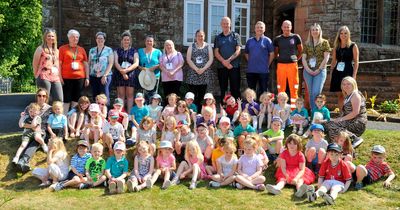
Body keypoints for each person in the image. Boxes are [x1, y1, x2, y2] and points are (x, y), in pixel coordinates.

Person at [324, 76, 367, 148]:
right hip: (350, 120)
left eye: (348, 84)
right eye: (343, 84)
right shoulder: (348, 95)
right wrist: (337, 119)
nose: (345, 86)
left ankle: (354, 138)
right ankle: (335, 144)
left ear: (353, 84)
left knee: (333, 126)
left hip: (357, 123)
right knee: (329, 124)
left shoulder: (355, 95)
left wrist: (341, 119)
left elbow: (355, 113)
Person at [16, 89, 52, 173]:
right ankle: (20, 161)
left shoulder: (49, 109)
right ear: (36, 96)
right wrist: (32, 126)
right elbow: (23, 122)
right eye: (39, 95)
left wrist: (35, 128)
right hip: (29, 131)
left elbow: (45, 125)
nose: (41, 97)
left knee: (36, 141)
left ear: (46, 97)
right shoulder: (29, 107)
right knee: (25, 142)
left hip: (41, 132)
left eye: (44, 96)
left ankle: (23, 160)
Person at [273, 20, 303, 109]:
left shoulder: (296, 37)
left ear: (291, 27)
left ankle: (294, 109)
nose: (286, 28)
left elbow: (301, 51)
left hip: (292, 66)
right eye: (285, 27)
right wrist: (280, 58)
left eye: (288, 26)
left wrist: (295, 59)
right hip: (281, 65)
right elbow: (275, 53)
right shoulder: (277, 39)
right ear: (282, 27)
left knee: (294, 87)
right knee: (280, 87)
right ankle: (281, 108)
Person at [302, 23, 331, 111]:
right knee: (310, 93)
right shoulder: (307, 43)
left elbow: (326, 57)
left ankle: (316, 113)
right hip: (308, 71)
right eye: (313, 30)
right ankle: (313, 113)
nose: (315, 31)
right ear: (310, 32)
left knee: (316, 92)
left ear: (319, 31)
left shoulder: (324, 42)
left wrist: (319, 69)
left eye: (316, 30)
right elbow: (303, 58)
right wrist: (308, 69)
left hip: (320, 70)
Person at [59, 29, 89, 114]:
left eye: (77, 37)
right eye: (72, 37)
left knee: (76, 99)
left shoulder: (81, 49)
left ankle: (72, 118)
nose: (75, 39)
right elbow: (59, 64)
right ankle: (64, 119)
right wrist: (60, 77)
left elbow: (86, 64)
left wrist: (87, 77)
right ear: (68, 38)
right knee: (66, 99)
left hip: (80, 78)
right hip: (66, 78)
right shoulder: (62, 49)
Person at [329, 26, 359, 109]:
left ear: (348, 34)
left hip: (348, 71)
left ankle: (349, 114)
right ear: (339, 35)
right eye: (341, 33)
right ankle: (341, 115)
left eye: (345, 33)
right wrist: (331, 73)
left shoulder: (353, 46)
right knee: (340, 95)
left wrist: (354, 75)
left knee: (348, 95)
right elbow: (333, 61)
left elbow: (356, 62)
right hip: (337, 72)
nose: (343, 35)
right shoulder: (336, 47)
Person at [214, 17, 242, 99]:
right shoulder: (218, 37)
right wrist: (224, 62)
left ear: (230, 24)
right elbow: (216, 52)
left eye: (227, 23)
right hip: (222, 67)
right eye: (224, 23)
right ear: (221, 25)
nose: (225, 25)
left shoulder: (236, 36)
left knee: (235, 88)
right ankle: (224, 107)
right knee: (223, 88)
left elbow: (238, 50)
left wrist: (229, 61)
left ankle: (236, 107)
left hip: (234, 66)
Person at [244, 21, 274, 96]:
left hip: (263, 71)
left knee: (263, 91)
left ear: (264, 29)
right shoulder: (249, 41)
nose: (259, 29)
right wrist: (251, 61)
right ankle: (252, 107)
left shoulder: (267, 41)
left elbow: (272, 54)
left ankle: (262, 106)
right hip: (251, 70)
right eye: (257, 27)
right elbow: (246, 53)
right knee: (251, 92)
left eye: (261, 27)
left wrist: (267, 65)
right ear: (255, 29)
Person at [32, 28, 63, 102]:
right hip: (44, 76)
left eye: (52, 36)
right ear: (45, 37)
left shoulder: (57, 51)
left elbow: (58, 65)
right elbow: (35, 63)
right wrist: (36, 75)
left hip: (55, 76)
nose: (51, 38)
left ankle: (56, 113)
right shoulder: (40, 49)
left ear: (55, 38)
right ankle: (43, 113)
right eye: (49, 36)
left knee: (59, 99)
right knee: (44, 99)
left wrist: (60, 77)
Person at [186, 30, 214, 109]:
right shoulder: (191, 46)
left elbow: (211, 59)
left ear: (204, 37)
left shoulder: (208, 46)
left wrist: (203, 69)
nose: (200, 37)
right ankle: (193, 111)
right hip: (193, 74)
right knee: (193, 94)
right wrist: (196, 69)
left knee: (202, 94)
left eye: (201, 36)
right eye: (198, 36)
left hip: (204, 74)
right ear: (195, 37)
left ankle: (201, 111)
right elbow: (188, 59)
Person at [113, 30, 139, 112]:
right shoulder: (117, 50)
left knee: (130, 95)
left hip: (131, 74)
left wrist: (126, 70)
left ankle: (129, 115)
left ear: (130, 41)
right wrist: (122, 71)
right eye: (125, 39)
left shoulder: (134, 51)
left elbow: (136, 63)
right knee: (121, 95)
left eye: (128, 40)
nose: (126, 41)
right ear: (122, 40)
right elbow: (116, 62)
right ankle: (120, 114)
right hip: (119, 74)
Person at [88, 32, 114, 101]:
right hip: (94, 76)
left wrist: (105, 75)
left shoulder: (109, 50)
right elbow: (89, 63)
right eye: (98, 38)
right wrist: (88, 76)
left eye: (101, 38)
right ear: (96, 39)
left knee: (105, 96)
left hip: (105, 76)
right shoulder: (92, 50)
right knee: (95, 96)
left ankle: (105, 111)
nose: (100, 40)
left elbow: (110, 63)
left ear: (104, 40)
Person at [138, 35, 163, 102]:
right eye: (147, 41)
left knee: (153, 96)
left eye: (150, 41)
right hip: (143, 76)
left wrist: (156, 66)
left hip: (155, 76)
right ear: (145, 42)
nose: (149, 42)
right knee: (143, 96)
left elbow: (162, 63)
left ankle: (153, 110)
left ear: (153, 42)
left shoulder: (158, 52)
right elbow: (136, 63)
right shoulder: (140, 51)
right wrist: (141, 68)